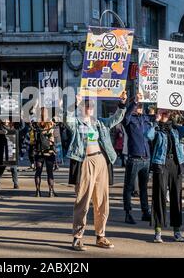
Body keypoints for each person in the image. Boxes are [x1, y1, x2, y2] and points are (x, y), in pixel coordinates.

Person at [67, 92, 127, 251]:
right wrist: (74, 103)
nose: (90, 108)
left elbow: (116, 119)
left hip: (101, 161)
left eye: (91, 105)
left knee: (102, 201)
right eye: (86, 105)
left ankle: (101, 236)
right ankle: (78, 237)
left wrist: (121, 104)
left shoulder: (99, 123)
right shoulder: (77, 122)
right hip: (86, 161)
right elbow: (67, 120)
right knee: (83, 201)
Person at [145, 104, 184, 243]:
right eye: (163, 113)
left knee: (176, 197)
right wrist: (156, 120)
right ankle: (158, 231)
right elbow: (148, 135)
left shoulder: (176, 129)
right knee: (159, 197)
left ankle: (177, 230)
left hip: (176, 165)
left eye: (166, 113)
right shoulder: (156, 128)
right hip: (161, 165)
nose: (165, 115)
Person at [122, 93, 152, 225]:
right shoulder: (129, 119)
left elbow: (155, 119)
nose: (140, 107)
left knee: (144, 188)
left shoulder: (146, 119)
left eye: (141, 105)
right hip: (134, 158)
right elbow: (125, 117)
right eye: (138, 105)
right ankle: (128, 213)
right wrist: (134, 102)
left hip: (146, 158)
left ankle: (145, 212)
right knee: (129, 187)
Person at [33, 109, 57, 197]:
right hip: (49, 152)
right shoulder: (51, 124)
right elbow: (55, 139)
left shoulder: (35, 125)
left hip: (38, 152)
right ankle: (50, 192)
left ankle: (37, 191)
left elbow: (32, 140)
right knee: (49, 172)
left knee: (38, 172)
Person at [0, 120, 20, 190]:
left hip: (12, 150)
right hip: (3, 150)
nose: (5, 120)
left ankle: (15, 183)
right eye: (4, 119)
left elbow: (22, 125)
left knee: (14, 168)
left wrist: (20, 116)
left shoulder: (14, 127)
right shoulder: (0, 128)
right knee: (1, 168)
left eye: (7, 119)